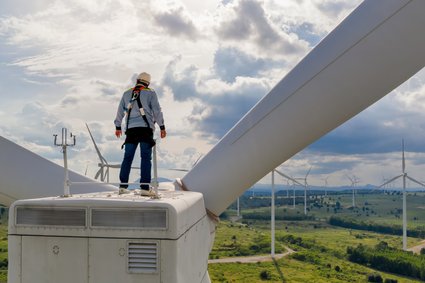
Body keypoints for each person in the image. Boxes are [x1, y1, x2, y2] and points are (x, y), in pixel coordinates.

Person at [114, 72, 166, 195]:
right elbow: (157, 110)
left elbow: (120, 110)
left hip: (131, 130)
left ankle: (122, 187)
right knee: (145, 158)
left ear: (137, 80)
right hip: (145, 130)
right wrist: (162, 127)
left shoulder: (126, 93)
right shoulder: (150, 93)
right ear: (147, 83)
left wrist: (117, 126)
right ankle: (145, 188)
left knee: (127, 158)